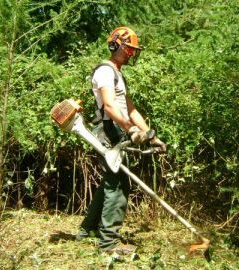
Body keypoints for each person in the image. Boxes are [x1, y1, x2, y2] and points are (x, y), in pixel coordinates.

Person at [76, 26, 166, 255]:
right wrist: (131, 130)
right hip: (107, 130)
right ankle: (108, 244)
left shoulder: (117, 73)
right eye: (130, 49)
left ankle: (88, 230)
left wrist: (149, 134)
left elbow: (130, 108)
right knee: (118, 183)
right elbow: (109, 106)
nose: (132, 54)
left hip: (117, 129)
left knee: (111, 179)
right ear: (120, 46)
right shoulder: (105, 71)